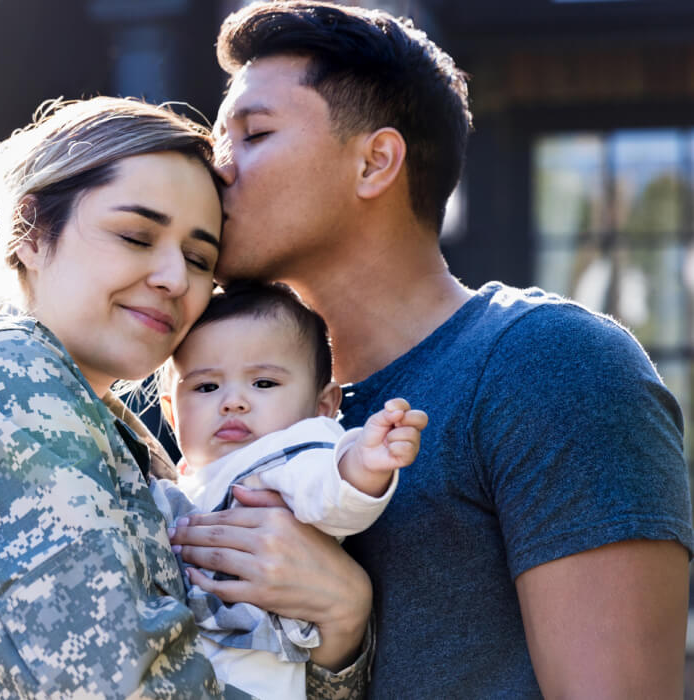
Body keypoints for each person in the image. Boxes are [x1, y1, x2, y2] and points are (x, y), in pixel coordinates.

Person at [162, 2, 694, 698]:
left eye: (253, 134)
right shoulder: (217, 400)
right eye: (214, 142)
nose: (216, 169)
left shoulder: (551, 366)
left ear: (374, 162)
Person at [0, 95, 371, 699]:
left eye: (199, 258)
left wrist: (343, 618)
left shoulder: (118, 431)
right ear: (31, 233)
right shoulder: (3, 379)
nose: (173, 278)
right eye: (137, 236)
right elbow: (111, 687)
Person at [150, 280, 427, 699]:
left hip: (254, 671)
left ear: (323, 407)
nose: (233, 402)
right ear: (172, 410)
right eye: (207, 387)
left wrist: (363, 462)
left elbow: (329, 494)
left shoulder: (285, 453)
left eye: (263, 383)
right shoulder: (192, 476)